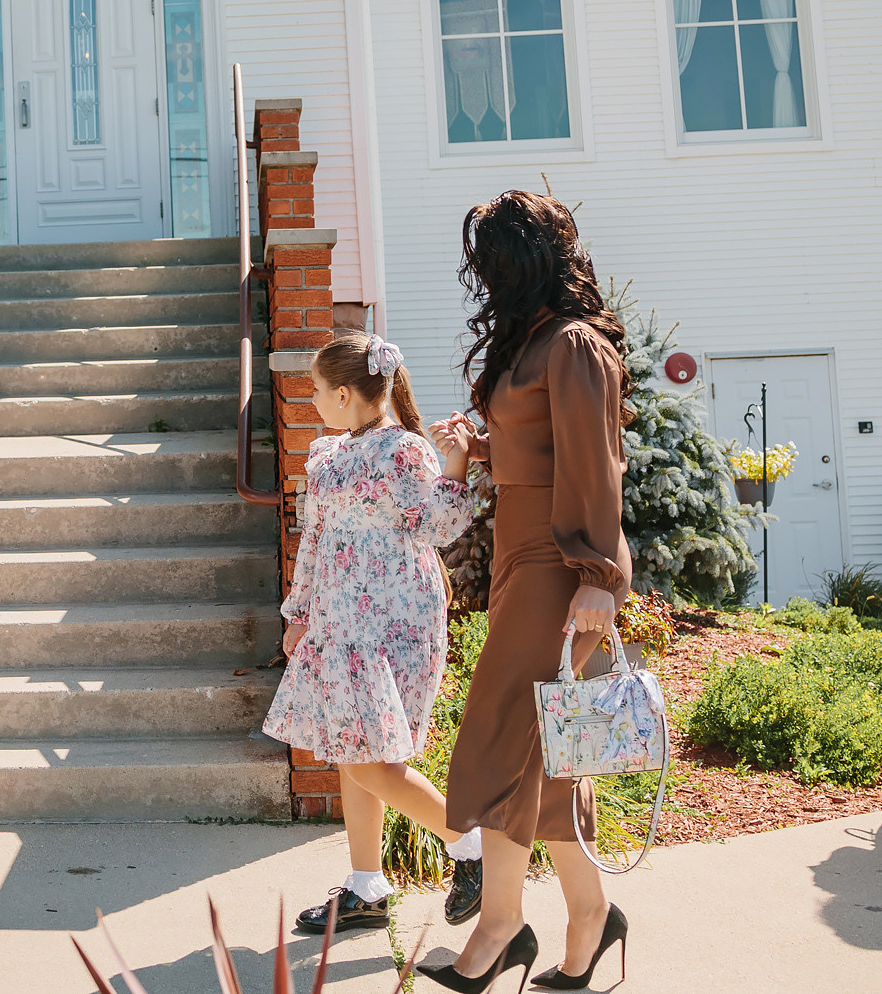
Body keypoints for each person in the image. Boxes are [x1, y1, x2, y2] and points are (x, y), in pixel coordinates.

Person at [424, 191, 633, 994]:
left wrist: (597, 580)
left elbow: (594, 464)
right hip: (524, 553)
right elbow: (538, 446)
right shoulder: (534, 341)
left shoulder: (576, 343)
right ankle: (590, 915)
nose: (489, 278)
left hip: (561, 560)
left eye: (499, 262)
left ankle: (501, 924)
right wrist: (479, 445)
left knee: (507, 734)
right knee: (541, 749)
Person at [265, 330, 488, 938]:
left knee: (371, 757)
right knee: (351, 749)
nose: (311, 399)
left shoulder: (403, 452)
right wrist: (300, 612)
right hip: (339, 624)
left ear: (344, 393)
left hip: (393, 625)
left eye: (316, 389)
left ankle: (469, 845)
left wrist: (457, 464)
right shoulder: (330, 455)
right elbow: (314, 539)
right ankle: (367, 886)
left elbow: (439, 526)